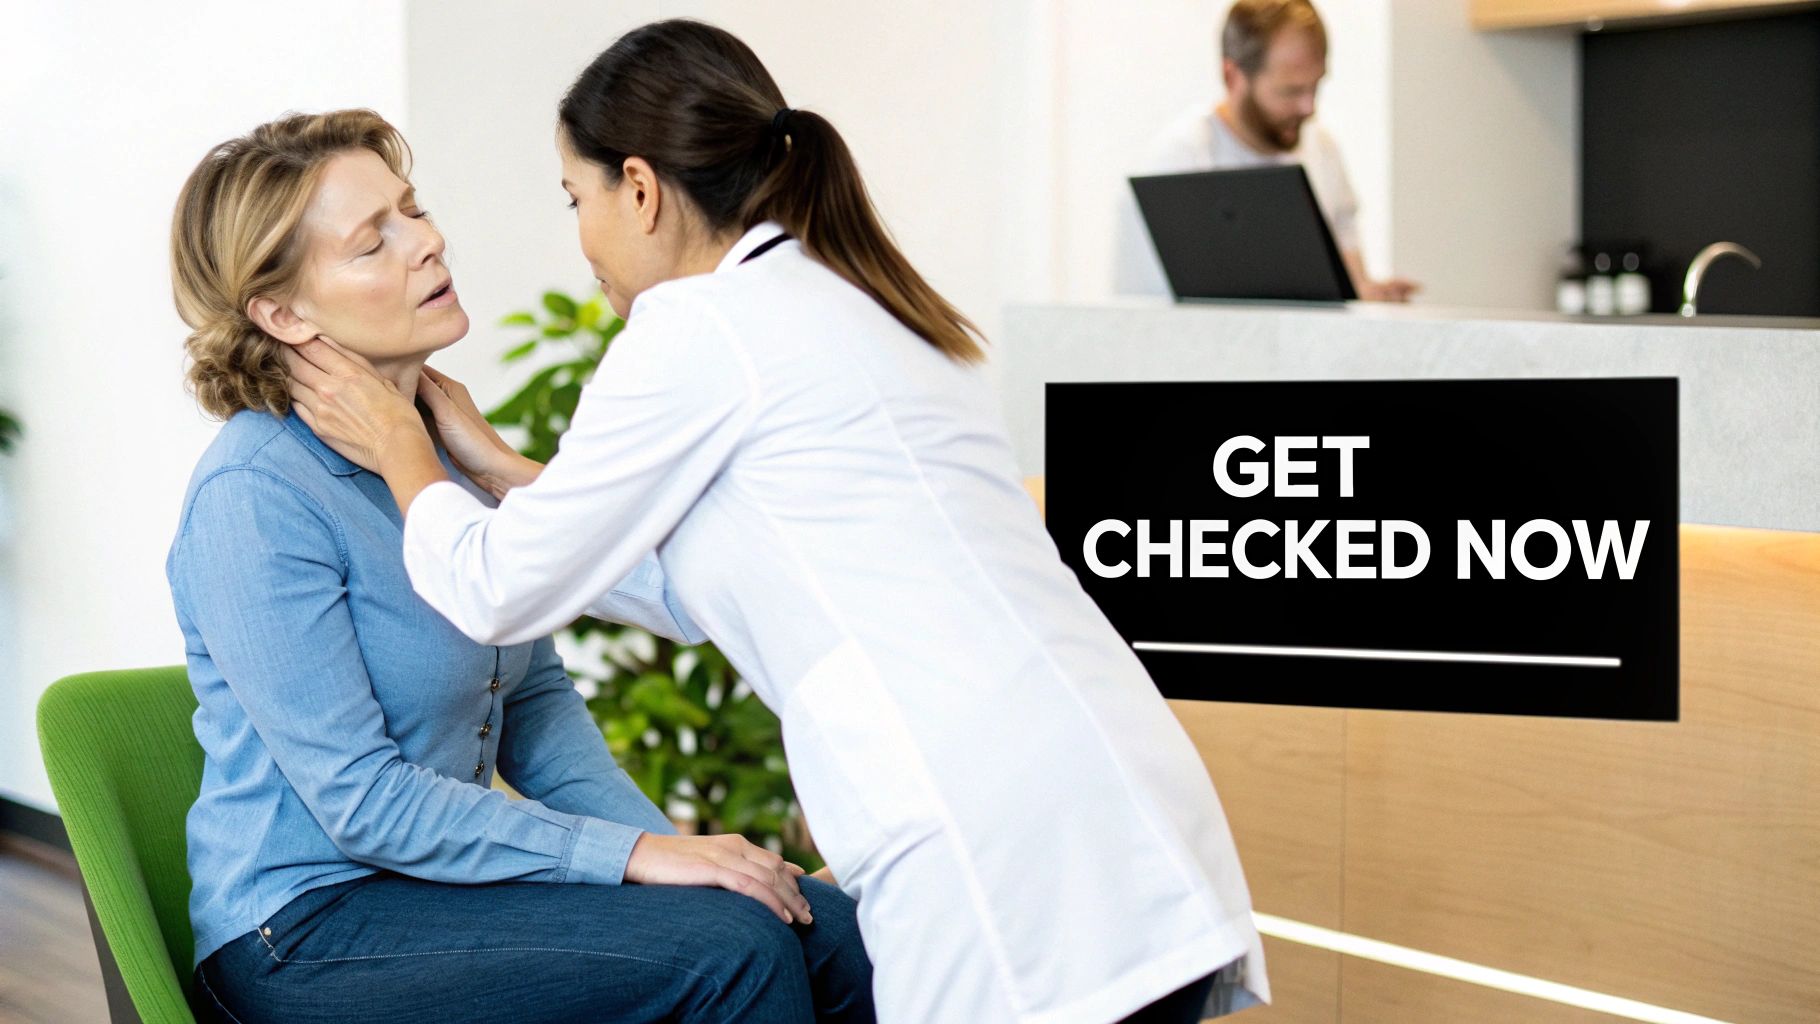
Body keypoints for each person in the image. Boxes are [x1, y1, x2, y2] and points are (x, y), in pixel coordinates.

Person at [286, 20, 1270, 1024]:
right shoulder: (838, 299)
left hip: (998, 841)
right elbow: (686, 586)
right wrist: (497, 466)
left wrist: (406, 453)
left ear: (641, 189)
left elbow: (498, 589)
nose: (579, 236)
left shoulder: (693, 330)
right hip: (1117, 799)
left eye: (575, 199)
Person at [166, 108, 873, 1024]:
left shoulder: (435, 457)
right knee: (732, 953)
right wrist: (639, 860)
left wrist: (688, 859)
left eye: (412, 211)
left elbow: (533, 707)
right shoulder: (254, 494)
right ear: (283, 313)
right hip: (306, 929)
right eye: (373, 241)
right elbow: (364, 804)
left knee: (830, 928)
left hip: (441, 894)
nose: (427, 242)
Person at [1114, 0, 1419, 302]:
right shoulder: (1179, 162)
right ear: (1232, 76)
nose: (1308, 107)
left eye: (1315, 87)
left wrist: (1367, 297)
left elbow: (1349, 285)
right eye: (1291, 91)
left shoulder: (1322, 150)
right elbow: (1147, 312)